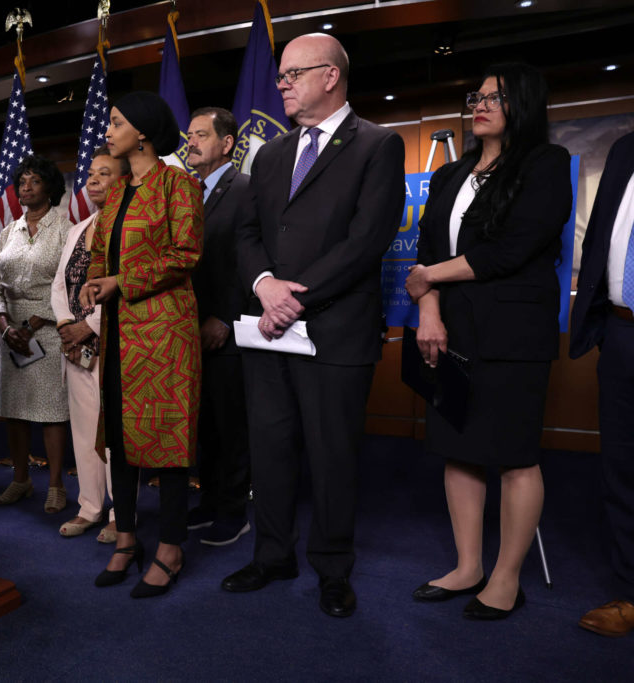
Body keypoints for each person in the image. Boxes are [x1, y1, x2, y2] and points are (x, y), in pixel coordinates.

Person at [226, 33, 405, 619]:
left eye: (291, 75)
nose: (281, 85)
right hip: (269, 330)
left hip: (334, 330)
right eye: (279, 77)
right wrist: (263, 287)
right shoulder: (271, 153)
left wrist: (293, 298)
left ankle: (333, 568)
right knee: (270, 450)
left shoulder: (378, 144)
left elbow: (368, 239)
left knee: (332, 458)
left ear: (330, 76)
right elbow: (247, 233)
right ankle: (272, 555)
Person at [406, 63, 572, 620]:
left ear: (522, 105)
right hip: (450, 330)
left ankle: (506, 578)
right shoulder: (451, 175)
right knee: (459, 449)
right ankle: (468, 566)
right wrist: (428, 311)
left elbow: (511, 250)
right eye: (475, 95)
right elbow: (425, 255)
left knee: (515, 457)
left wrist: (429, 279)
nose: (479, 104)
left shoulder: (544, 165)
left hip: (513, 333)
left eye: (494, 98)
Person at [80, 91, 203, 598]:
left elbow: (186, 252)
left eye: (116, 122)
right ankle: (126, 539)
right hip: (117, 336)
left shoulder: (178, 183)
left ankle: (171, 547)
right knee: (121, 441)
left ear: (145, 131)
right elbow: (97, 256)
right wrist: (93, 280)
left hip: (165, 335)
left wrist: (120, 282)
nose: (107, 130)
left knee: (169, 444)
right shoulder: (117, 192)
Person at [569, 130, 634, 636]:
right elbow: (601, 238)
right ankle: (630, 594)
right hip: (623, 330)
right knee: (623, 469)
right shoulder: (625, 149)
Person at [51, 145, 128, 540]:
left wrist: (90, 326)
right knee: (83, 430)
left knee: (111, 433)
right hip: (75, 347)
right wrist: (66, 323)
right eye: (91, 174)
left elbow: (127, 287)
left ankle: (121, 514)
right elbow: (59, 283)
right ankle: (90, 507)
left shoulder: (131, 225)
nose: (93, 181)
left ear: (125, 179)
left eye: (105, 174)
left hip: (113, 342)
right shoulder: (80, 227)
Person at [185, 106, 253, 547]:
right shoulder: (187, 193)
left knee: (231, 424)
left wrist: (226, 318)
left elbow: (249, 261)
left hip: (228, 329)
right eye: (188, 135)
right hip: (186, 328)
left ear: (226, 143)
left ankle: (234, 511)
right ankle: (208, 501)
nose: (190, 142)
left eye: (200, 135)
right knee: (203, 423)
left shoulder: (246, 189)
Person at [0, 155, 72, 513]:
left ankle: (56, 485)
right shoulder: (8, 231)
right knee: (15, 410)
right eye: (22, 181)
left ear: (50, 188)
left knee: (52, 412)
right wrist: (5, 325)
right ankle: (20, 480)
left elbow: (74, 285)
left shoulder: (67, 229)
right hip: (11, 335)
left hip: (50, 331)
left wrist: (39, 321)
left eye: (35, 181)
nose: (26, 186)